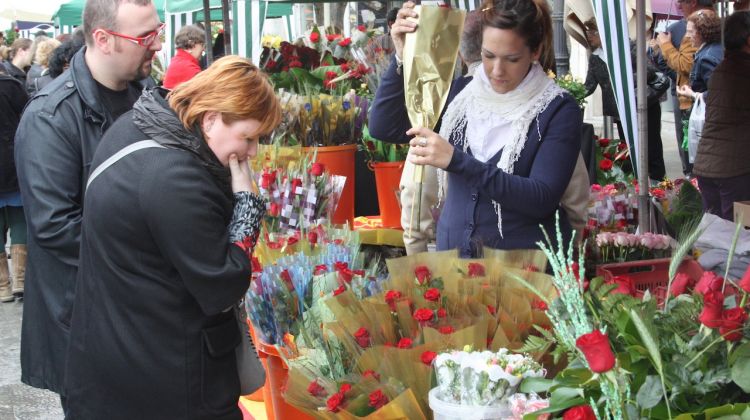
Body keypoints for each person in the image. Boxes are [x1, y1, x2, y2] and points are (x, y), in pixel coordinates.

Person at [64, 55, 279, 419]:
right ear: (211, 119)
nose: (253, 151)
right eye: (248, 137)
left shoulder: (138, 124)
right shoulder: (177, 178)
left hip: (111, 360)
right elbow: (223, 284)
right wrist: (246, 205)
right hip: (167, 378)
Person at [13, 0, 162, 409]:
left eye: (158, 30)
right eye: (145, 37)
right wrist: (157, 250)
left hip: (147, 315)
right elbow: (55, 228)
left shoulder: (150, 97)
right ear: (103, 39)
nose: (158, 45)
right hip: (86, 325)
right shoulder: (50, 117)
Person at [370, 0, 581, 257]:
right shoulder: (461, 94)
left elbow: (541, 199)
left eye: (511, 59)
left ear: (535, 51)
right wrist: (403, 56)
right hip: (457, 267)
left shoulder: (556, 108)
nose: (496, 70)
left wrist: (457, 161)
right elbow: (385, 127)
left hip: (525, 272)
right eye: (488, 55)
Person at [691, 11, 750, 221]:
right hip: (734, 168)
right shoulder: (744, 70)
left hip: (710, 164)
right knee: (737, 234)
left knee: (715, 233)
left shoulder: (723, 69)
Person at [649, 0, 714, 177]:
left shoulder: (694, 27)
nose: (678, 4)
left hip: (695, 101)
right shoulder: (682, 26)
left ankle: (694, 189)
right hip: (691, 97)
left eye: (681, 1)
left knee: (693, 156)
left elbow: (686, 65)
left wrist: (664, 45)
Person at [0, 66, 29, 303]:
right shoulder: (11, 86)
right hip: (11, 161)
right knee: (19, 219)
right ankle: (20, 280)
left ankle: (2, 286)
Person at [162, 24, 205, 89]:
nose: (203, 49)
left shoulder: (179, 61)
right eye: (202, 45)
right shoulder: (189, 68)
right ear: (191, 44)